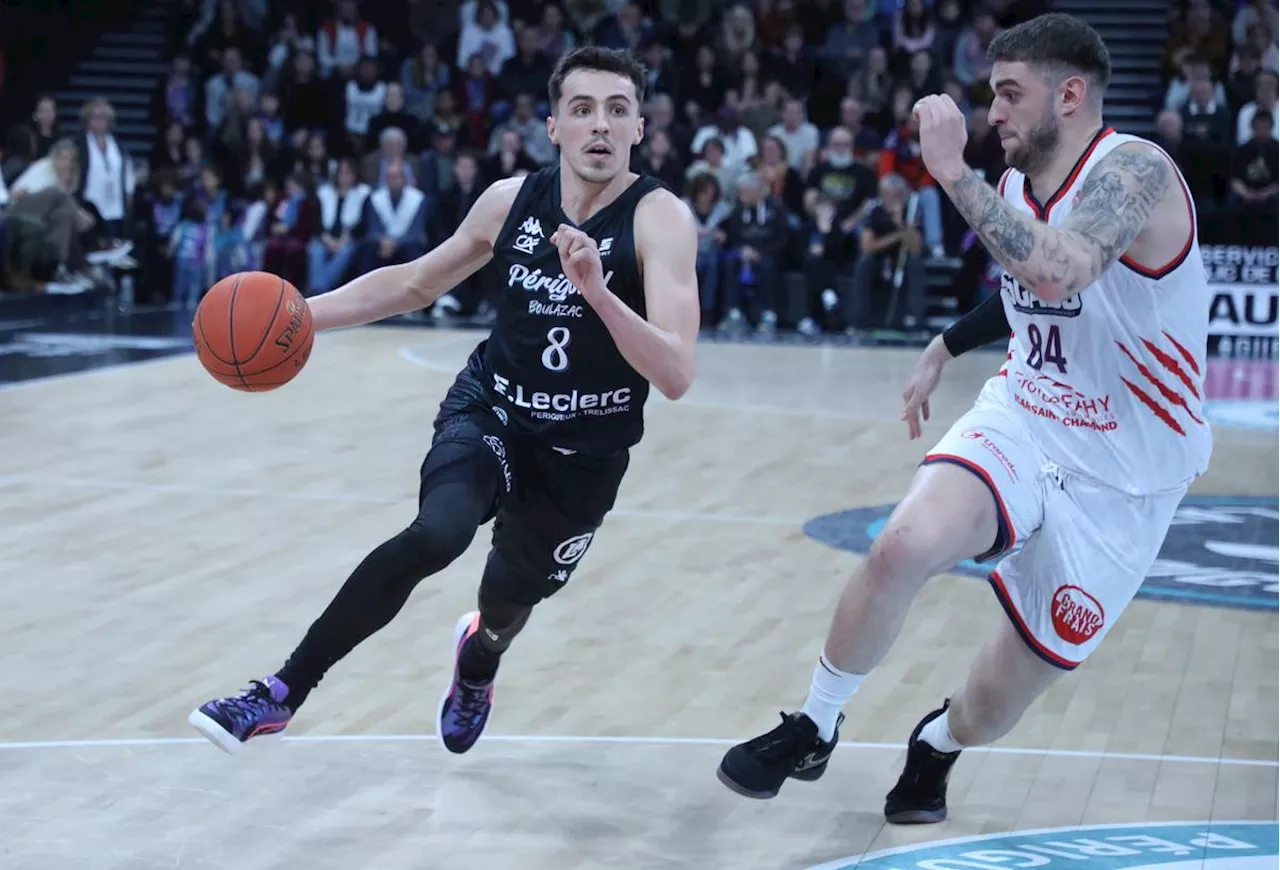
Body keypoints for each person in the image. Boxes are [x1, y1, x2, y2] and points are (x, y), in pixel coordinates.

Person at [716, 12, 1213, 824]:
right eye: (992, 96)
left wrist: (950, 173)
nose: (995, 114)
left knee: (994, 703)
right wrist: (946, 344)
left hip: (1128, 475)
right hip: (1027, 416)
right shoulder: (1016, 185)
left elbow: (1059, 271)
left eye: (1011, 95)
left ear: (1073, 94)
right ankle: (815, 721)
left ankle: (937, 742)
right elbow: (1023, 291)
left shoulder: (1138, 173)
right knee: (901, 546)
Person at [188, 46, 701, 756]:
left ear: (640, 128)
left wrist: (597, 291)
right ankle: (279, 692)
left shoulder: (660, 219)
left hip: (585, 452)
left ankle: (479, 661)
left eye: (618, 110)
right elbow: (414, 283)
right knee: (437, 533)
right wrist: (302, 314)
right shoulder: (509, 200)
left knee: (504, 609)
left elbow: (675, 373)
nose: (600, 126)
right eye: (582, 109)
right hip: (492, 409)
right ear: (552, 125)